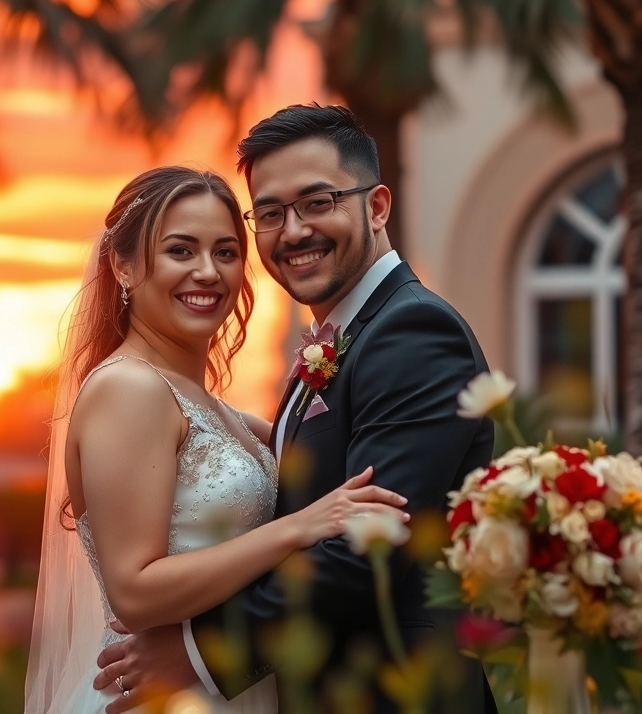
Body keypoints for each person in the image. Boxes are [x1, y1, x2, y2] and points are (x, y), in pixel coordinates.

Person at [92, 105, 499, 713]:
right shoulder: (346, 338)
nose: (294, 232)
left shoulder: (410, 330)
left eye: (318, 201)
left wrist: (201, 654)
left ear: (378, 206)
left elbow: (370, 541)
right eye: (272, 213)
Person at [25, 165, 409, 713]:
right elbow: (134, 591)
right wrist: (300, 527)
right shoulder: (128, 388)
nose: (207, 272)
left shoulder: (232, 419)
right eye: (181, 251)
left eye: (226, 253)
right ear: (124, 265)